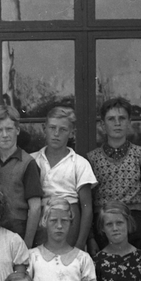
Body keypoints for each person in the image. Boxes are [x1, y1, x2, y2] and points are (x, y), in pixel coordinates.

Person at [87, 98, 141, 253]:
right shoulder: (91, 159)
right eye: (111, 119)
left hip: (136, 228)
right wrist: (90, 238)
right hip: (103, 229)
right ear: (102, 125)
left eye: (122, 118)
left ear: (129, 122)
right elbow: (88, 203)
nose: (117, 123)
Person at [31, 106, 95, 249]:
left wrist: (80, 243)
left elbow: (87, 208)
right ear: (44, 129)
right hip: (40, 224)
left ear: (72, 133)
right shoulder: (32, 160)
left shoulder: (79, 163)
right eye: (52, 128)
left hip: (69, 224)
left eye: (63, 129)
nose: (56, 134)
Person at [28, 196, 96, 281]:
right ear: (44, 221)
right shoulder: (33, 256)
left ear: (71, 223)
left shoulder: (83, 259)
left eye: (64, 221)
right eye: (53, 220)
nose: (59, 226)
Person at [0, 105, 42, 248]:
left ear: (17, 130)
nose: (5, 135)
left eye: (9, 129)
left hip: (19, 228)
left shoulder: (27, 163)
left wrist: (27, 244)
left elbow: (35, 208)